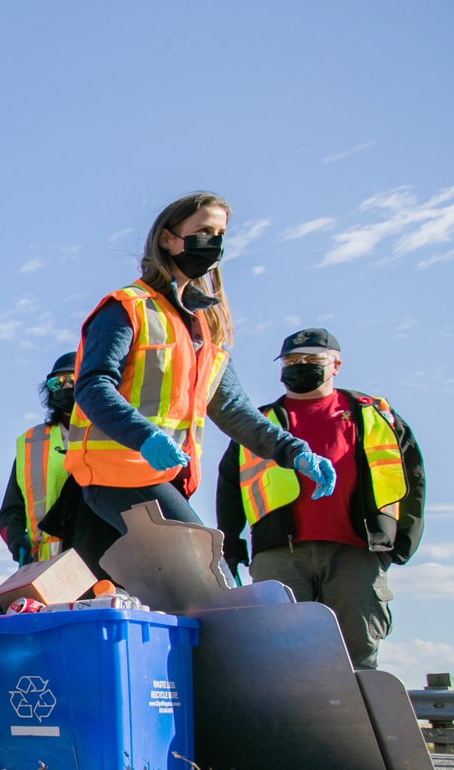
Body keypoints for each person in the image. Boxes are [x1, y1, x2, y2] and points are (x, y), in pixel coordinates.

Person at [63, 192, 338, 540]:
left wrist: (292, 450)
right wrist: (145, 435)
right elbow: (93, 385)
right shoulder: (127, 308)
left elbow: (235, 411)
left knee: (175, 590)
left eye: (221, 235)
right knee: (208, 576)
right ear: (167, 238)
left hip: (168, 480)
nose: (215, 243)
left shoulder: (206, 331)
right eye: (205, 230)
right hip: (117, 476)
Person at [216, 329, 425, 668]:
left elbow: (411, 475)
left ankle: (357, 721)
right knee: (281, 656)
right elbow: (230, 485)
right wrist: (232, 546)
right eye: (292, 361)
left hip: (357, 551)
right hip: (279, 553)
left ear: (336, 365)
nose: (300, 366)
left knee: (357, 652)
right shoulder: (259, 423)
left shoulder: (372, 414)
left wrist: (404, 539)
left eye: (312, 360)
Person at [0, 353, 120, 579]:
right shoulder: (31, 444)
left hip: (102, 564)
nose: (64, 387)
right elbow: (10, 512)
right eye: (57, 382)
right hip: (47, 568)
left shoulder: (110, 434)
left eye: (71, 380)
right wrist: (17, 542)